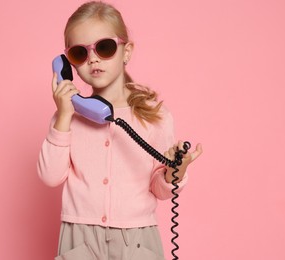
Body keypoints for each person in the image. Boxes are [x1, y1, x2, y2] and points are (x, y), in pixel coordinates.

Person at [37, 1, 203, 259]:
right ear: (67, 64)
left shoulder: (155, 117)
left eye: (104, 47)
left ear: (126, 51)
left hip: (136, 238)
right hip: (80, 236)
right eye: (80, 53)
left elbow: (159, 189)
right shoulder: (67, 117)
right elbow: (49, 176)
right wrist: (64, 116)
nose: (93, 58)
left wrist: (174, 172)